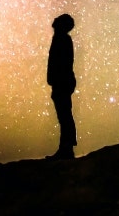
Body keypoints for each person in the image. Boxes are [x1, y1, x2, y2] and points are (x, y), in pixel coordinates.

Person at [47, 13, 76, 160]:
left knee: (64, 115)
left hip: (62, 82)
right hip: (61, 81)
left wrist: (56, 80)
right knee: (63, 115)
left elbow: (63, 63)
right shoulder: (60, 39)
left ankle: (67, 149)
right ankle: (65, 148)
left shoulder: (62, 39)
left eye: (58, 20)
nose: (54, 20)